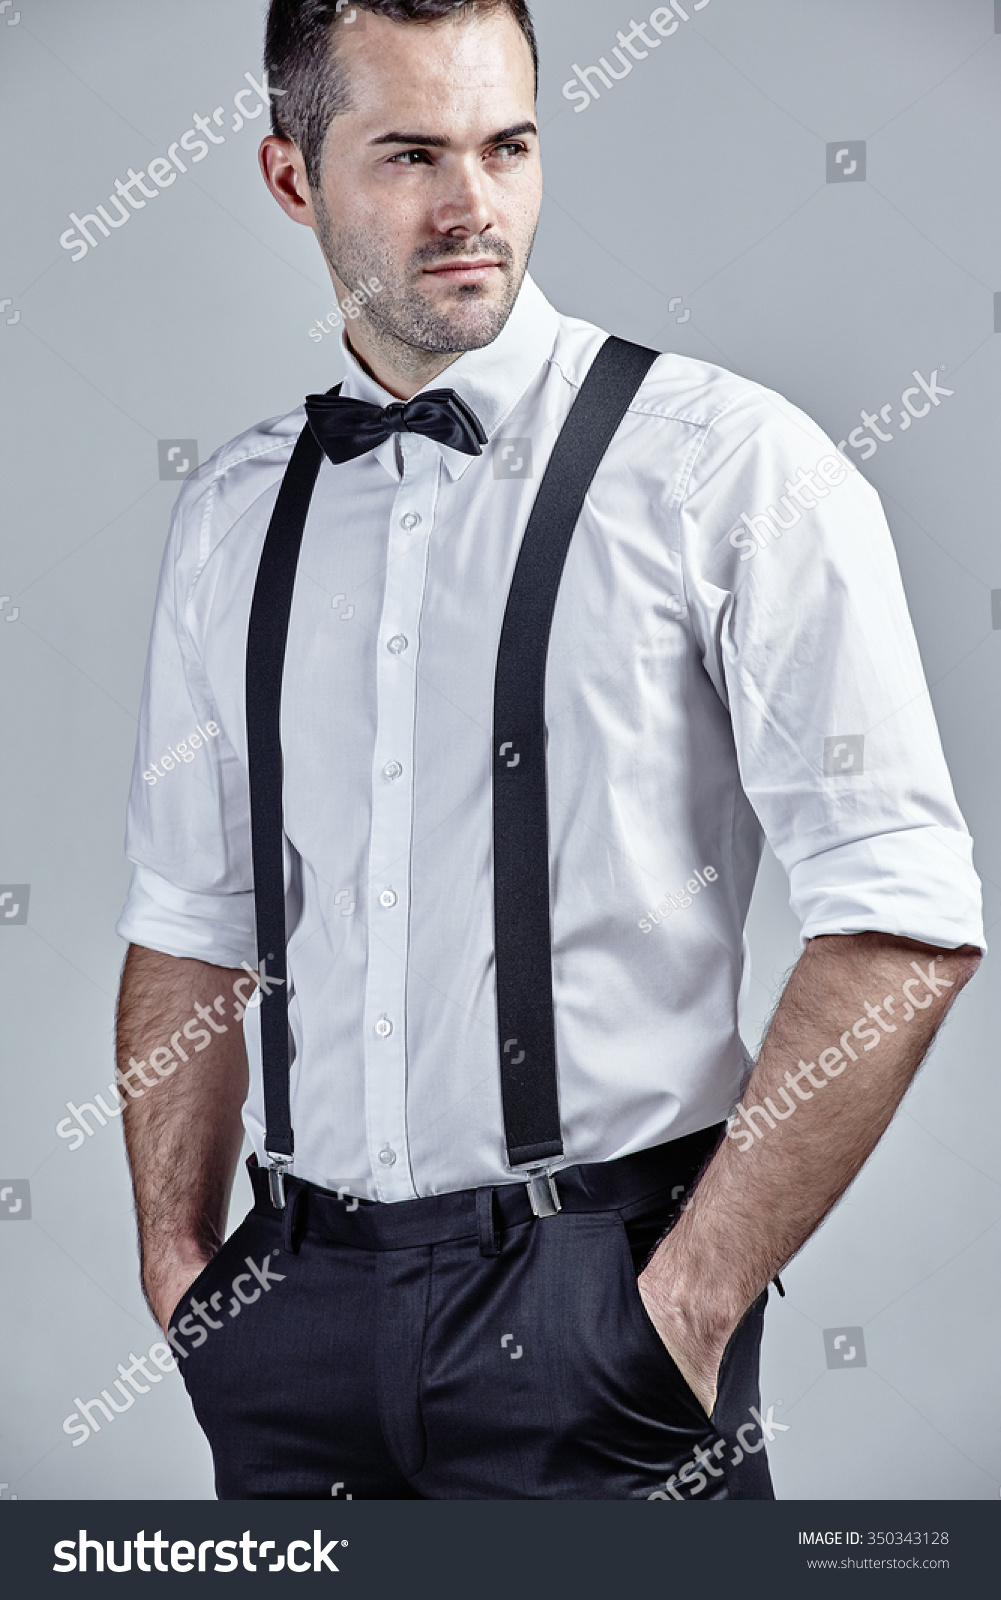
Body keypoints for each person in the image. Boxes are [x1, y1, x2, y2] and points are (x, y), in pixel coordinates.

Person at [115, 0, 983, 1501]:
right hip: (292, 1325)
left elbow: (902, 914)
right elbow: (192, 921)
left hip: (602, 1315)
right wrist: (188, 1277)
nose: (471, 207)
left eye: (505, 146)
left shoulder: (730, 467)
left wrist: (685, 1308)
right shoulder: (236, 511)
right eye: (407, 156)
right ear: (288, 179)